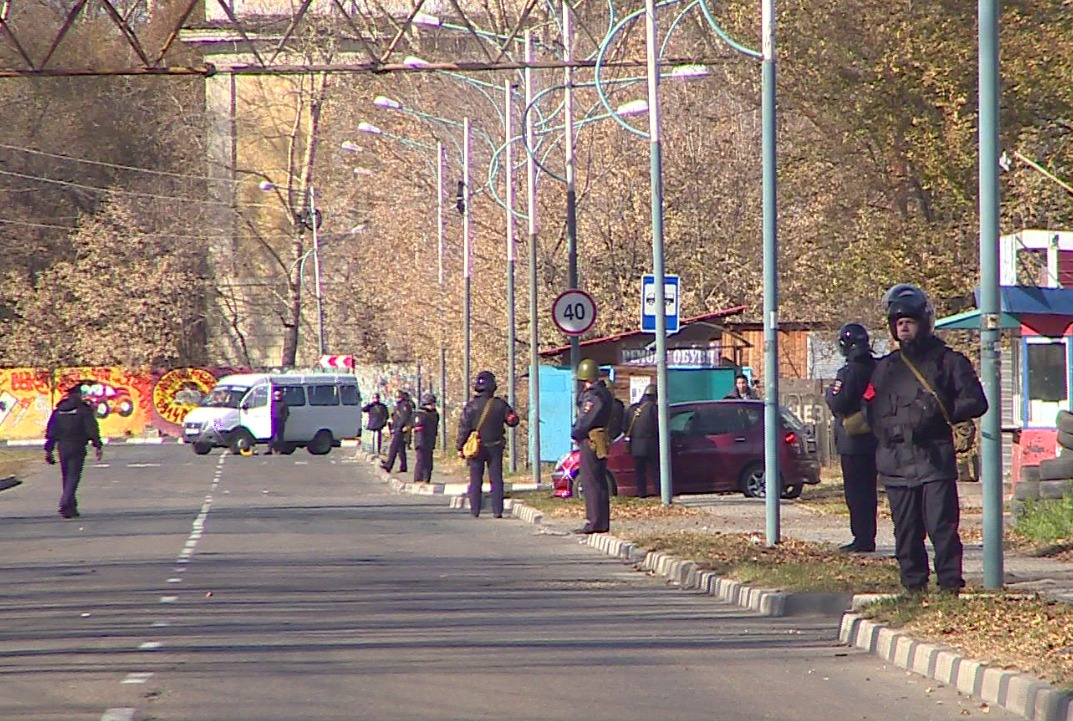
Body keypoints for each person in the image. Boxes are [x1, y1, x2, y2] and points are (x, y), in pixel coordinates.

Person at [864, 284, 988, 596]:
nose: (904, 326)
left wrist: (940, 410)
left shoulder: (949, 361)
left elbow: (977, 401)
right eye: (898, 322)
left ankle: (949, 584)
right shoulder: (885, 368)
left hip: (934, 458)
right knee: (905, 530)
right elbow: (869, 408)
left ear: (924, 322)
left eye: (910, 320)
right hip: (895, 463)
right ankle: (913, 586)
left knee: (941, 527)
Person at [824, 323, 878, 553]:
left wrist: (829, 392)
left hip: (853, 439)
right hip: (875, 437)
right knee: (871, 491)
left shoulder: (850, 371)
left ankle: (863, 538)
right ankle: (868, 535)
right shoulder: (878, 366)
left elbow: (837, 402)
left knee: (856, 492)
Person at [456, 371, 519, 518]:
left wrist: (460, 447)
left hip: (476, 448)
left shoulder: (471, 407)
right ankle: (497, 510)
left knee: (475, 479)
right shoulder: (500, 404)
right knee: (496, 479)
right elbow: (513, 421)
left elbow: (464, 428)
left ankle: (475, 510)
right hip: (495, 446)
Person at [44, 383, 103, 519]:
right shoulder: (83, 410)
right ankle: (65, 502)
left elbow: (52, 430)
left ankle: (71, 507)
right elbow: (91, 428)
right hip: (77, 446)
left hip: (62, 446)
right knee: (73, 476)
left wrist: (49, 449)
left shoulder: (59, 411)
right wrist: (97, 445)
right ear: (78, 395)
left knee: (66, 476)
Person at [571, 358, 613, 534]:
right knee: (599, 481)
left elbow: (585, 420)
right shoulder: (605, 393)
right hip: (599, 439)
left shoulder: (594, 396)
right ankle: (601, 521)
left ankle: (594, 521)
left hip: (591, 440)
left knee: (590, 482)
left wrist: (576, 432)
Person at [625, 383, 659, 498]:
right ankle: (660, 492)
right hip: (651, 444)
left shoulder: (633, 408)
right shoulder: (654, 409)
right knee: (656, 471)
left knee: (640, 472)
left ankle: (641, 493)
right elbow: (658, 427)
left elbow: (625, 427)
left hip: (635, 446)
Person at [381, 390, 414, 473]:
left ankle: (389, 465)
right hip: (397, 428)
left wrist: (398, 427)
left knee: (393, 448)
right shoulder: (399, 405)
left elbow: (404, 418)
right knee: (400, 448)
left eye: (398, 397)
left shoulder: (405, 405)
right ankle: (403, 466)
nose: (396, 399)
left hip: (400, 429)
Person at [413, 392, 439, 483]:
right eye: (431, 404)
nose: (433, 406)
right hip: (421, 440)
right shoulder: (420, 414)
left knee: (429, 462)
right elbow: (418, 426)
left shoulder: (434, 414)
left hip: (430, 440)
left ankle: (426, 479)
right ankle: (418, 479)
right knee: (421, 460)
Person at [267, 387, 289, 454]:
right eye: (276, 395)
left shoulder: (283, 403)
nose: (277, 397)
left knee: (280, 437)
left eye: (279, 395)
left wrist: (283, 419)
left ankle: (280, 450)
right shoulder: (271, 403)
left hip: (280, 421)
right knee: (271, 436)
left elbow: (286, 413)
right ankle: (270, 450)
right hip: (272, 421)